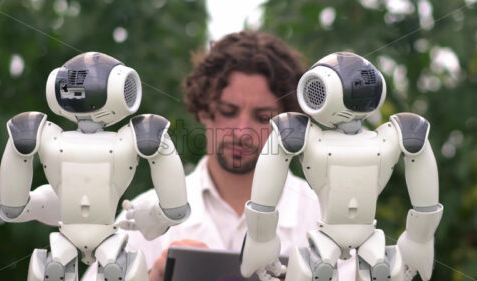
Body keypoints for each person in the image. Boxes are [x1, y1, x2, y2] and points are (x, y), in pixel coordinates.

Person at [83, 30, 354, 281]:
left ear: (288, 123)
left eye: (262, 117)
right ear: (203, 109)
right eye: (228, 111)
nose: (242, 132)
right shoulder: (145, 213)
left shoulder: (325, 215)